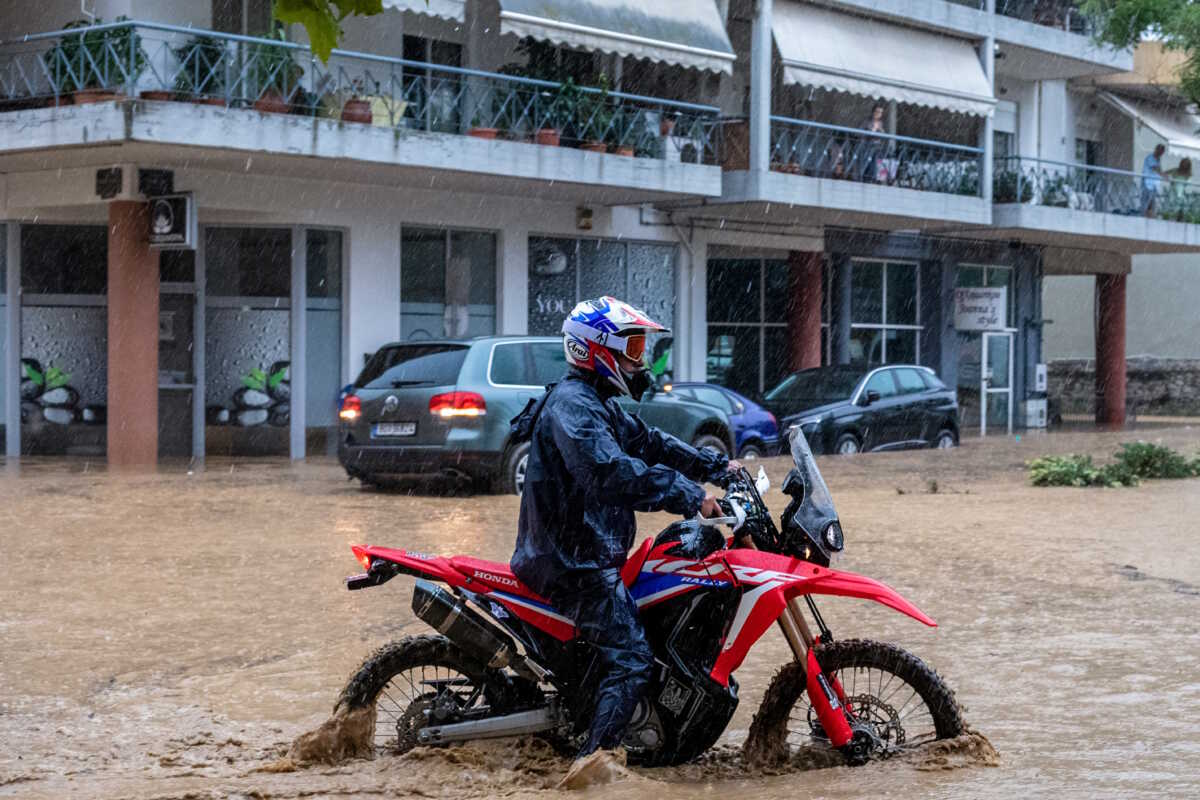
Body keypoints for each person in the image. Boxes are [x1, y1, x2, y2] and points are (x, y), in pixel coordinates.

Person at [509, 296, 737, 788]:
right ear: (598, 350)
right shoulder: (574, 407)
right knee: (632, 654)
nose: (640, 361)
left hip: (588, 552)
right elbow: (609, 473)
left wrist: (717, 468)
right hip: (571, 563)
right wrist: (690, 496)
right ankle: (592, 767)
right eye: (633, 348)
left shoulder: (595, 403)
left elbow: (650, 442)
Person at [1142, 143, 1166, 217]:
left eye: (1162, 152)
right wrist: (1164, 175)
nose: (1161, 154)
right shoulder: (1150, 158)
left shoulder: (1157, 159)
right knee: (1147, 200)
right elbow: (1156, 169)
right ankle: (1146, 214)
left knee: (1152, 201)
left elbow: (1159, 170)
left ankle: (1150, 214)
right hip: (1147, 183)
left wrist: (1164, 174)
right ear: (1156, 150)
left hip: (1154, 184)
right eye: (1160, 152)